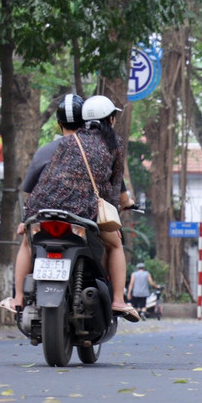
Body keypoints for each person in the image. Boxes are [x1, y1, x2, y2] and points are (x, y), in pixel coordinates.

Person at [20, 94, 138, 321]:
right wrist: (118, 209)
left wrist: (29, 213)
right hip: (84, 210)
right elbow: (114, 188)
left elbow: (40, 183)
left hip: (43, 208)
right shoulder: (113, 145)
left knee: (27, 242)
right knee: (115, 244)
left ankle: (17, 298)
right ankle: (119, 301)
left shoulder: (63, 143)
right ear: (110, 119)